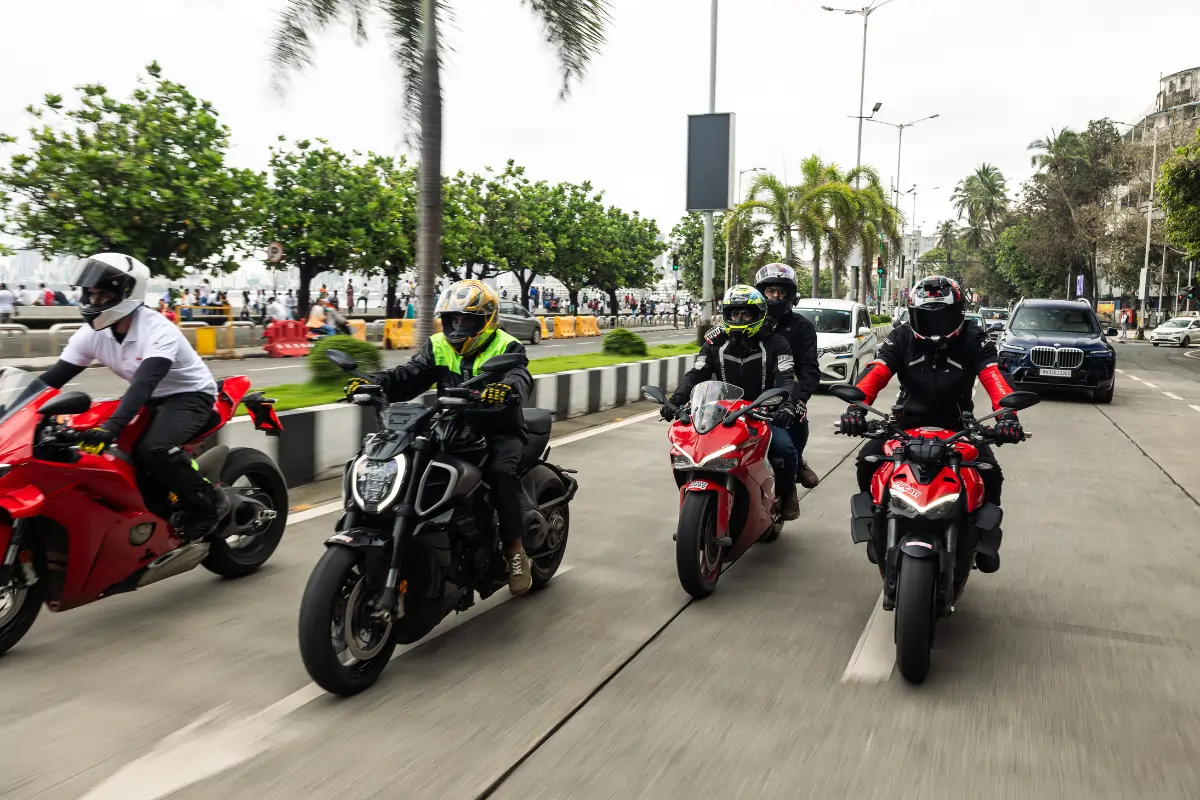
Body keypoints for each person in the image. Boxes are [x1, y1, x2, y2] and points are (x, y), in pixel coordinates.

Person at [349, 279, 536, 595]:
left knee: (501, 473)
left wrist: (506, 390)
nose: (459, 326)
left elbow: (520, 377)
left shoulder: (507, 345)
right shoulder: (437, 345)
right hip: (449, 427)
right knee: (409, 462)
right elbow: (408, 376)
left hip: (498, 429)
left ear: (485, 320)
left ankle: (515, 551)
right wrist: (373, 383)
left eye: (467, 319)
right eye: (453, 319)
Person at [838, 275, 1024, 573]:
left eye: (943, 316)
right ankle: (876, 523)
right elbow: (877, 370)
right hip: (906, 423)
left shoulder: (974, 337)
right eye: (927, 317)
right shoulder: (901, 337)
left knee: (990, 472)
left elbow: (994, 375)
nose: (936, 325)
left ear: (959, 313)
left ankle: (983, 543)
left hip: (958, 425)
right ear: (913, 314)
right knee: (867, 459)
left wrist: (1007, 416)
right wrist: (855, 410)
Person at [38, 254, 230, 540]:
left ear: (126, 295)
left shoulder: (157, 330)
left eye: (103, 295)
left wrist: (111, 427)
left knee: (154, 449)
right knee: (116, 457)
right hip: (150, 399)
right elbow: (50, 380)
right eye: (91, 294)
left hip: (189, 395)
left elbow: (144, 383)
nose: (94, 302)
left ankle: (207, 506)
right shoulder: (92, 333)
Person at [667, 285, 803, 520]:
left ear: (759, 315)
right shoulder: (714, 344)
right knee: (688, 451)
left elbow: (786, 378)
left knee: (786, 449)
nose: (739, 319)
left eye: (746, 314)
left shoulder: (777, 343)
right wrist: (675, 400)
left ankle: (787, 492)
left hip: (762, 413)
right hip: (720, 414)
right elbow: (696, 375)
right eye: (734, 314)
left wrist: (786, 405)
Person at [752, 263, 822, 489]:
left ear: (791, 295)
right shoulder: (748, 322)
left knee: (791, 435)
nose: (775, 296)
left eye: (781, 292)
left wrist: (797, 401)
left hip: (784, 397)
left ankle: (790, 480)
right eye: (770, 291)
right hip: (746, 394)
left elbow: (809, 369)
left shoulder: (802, 327)